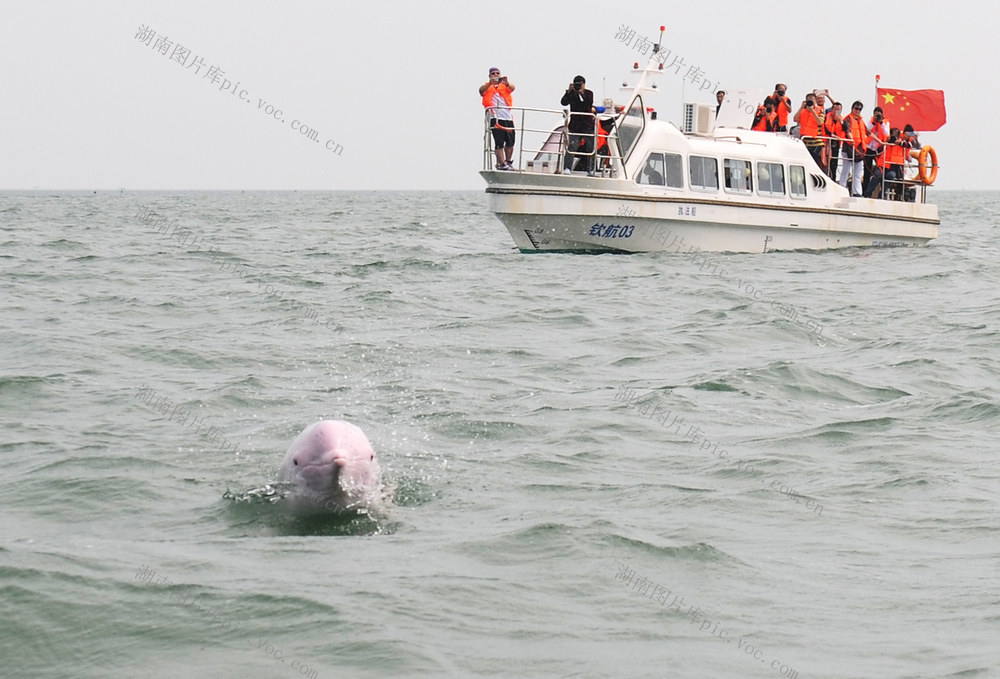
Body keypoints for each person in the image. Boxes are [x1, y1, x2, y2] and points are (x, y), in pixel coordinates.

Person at [480, 67, 516, 170]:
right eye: (493, 73)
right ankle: (502, 163)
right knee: (499, 142)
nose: (495, 75)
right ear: (489, 75)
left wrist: (507, 82)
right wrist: (490, 83)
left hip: (508, 118)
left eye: (497, 73)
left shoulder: (505, 86)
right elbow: (481, 91)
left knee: (511, 141)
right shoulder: (486, 87)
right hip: (495, 117)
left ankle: (509, 161)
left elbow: (513, 88)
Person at [560, 75, 596, 175]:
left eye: (580, 84)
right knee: (572, 147)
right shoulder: (572, 93)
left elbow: (587, 103)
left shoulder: (589, 93)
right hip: (575, 125)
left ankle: (591, 169)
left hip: (587, 125)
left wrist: (581, 93)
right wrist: (568, 91)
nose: (578, 86)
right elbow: (563, 102)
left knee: (590, 147)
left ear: (584, 84)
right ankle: (567, 168)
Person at [839, 101, 869, 197]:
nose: (857, 111)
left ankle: (857, 192)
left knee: (857, 173)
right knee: (846, 170)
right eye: (856, 108)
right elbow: (847, 130)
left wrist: (880, 142)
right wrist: (851, 139)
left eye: (859, 109)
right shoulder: (848, 119)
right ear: (852, 108)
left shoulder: (861, 121)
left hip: (859, 150)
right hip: (848, 148)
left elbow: (868, 133)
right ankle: (842, 189)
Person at [796, 94, 825, 169]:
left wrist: (812, 111)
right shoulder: (803, 111)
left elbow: (820, 122)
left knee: (814, 162)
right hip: (805, 141)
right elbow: (795, 119)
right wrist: (801, 107)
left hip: (816, 141)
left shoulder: (819, 110)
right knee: (805, 162)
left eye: (812, 100)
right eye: (809, 100)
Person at [824, 102, 844, 179]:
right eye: (835, 109)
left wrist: (841, 121)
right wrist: (833, 135)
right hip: (827, 142)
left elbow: (846, 129)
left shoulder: (842, 119)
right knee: (825, 162)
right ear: (832, 110)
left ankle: (833, 179)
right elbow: (825, 128)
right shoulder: (826, 117)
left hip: (836, 143)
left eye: (839, 110)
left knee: (834, 163)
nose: (837, 112)